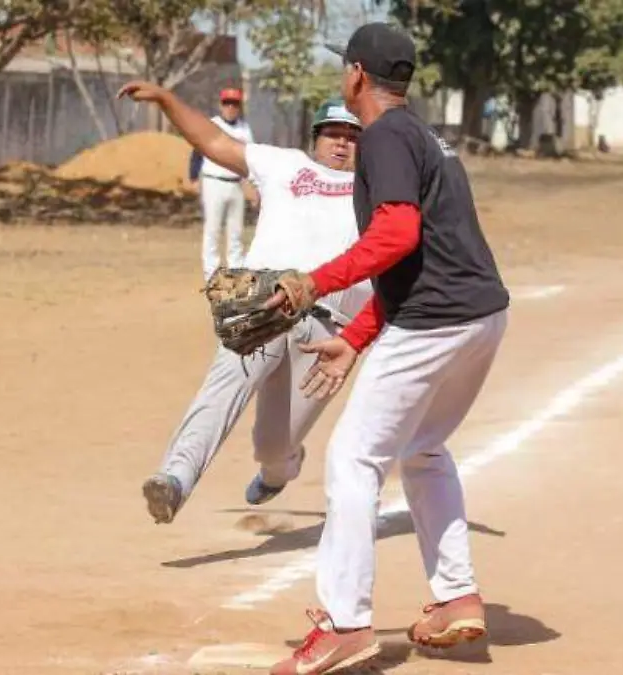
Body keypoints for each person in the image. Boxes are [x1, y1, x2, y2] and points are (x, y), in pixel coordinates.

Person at [261, 23, 511, 675]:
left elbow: (396, 235)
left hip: (436, 321)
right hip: (479, 315)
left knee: (352, 456)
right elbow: (418, 255)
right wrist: (355, 337)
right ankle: (456, 594)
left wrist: (316, 279)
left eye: (344, 69)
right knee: (423, 448)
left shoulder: (386, 139)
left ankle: (345, 624)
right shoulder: (422, 135)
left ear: (356, 77)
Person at [117, 79, 372, 525]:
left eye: (352, 137)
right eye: (333, 134)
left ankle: (278, 470)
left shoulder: (376, 192)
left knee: (273, 444)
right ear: (315, 139)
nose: (342, 144)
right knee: (221, 389)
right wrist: (167, 100)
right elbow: (215, 141)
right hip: (264, 305)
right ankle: (175, 477)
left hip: (329, 329)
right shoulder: (284, 165)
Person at [187, 88, 257, 281]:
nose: (231, 107)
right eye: (227, 103)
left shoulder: (244, 129)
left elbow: (250, 157)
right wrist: (193, 177)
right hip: (213, 182)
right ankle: (212, 272)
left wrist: (253, 185)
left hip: (236, 184)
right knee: (213, 228)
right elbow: (197, 151)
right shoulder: (213, 124)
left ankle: (235, 269)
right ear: (221, 105)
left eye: (234, 104)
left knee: (236, 230)